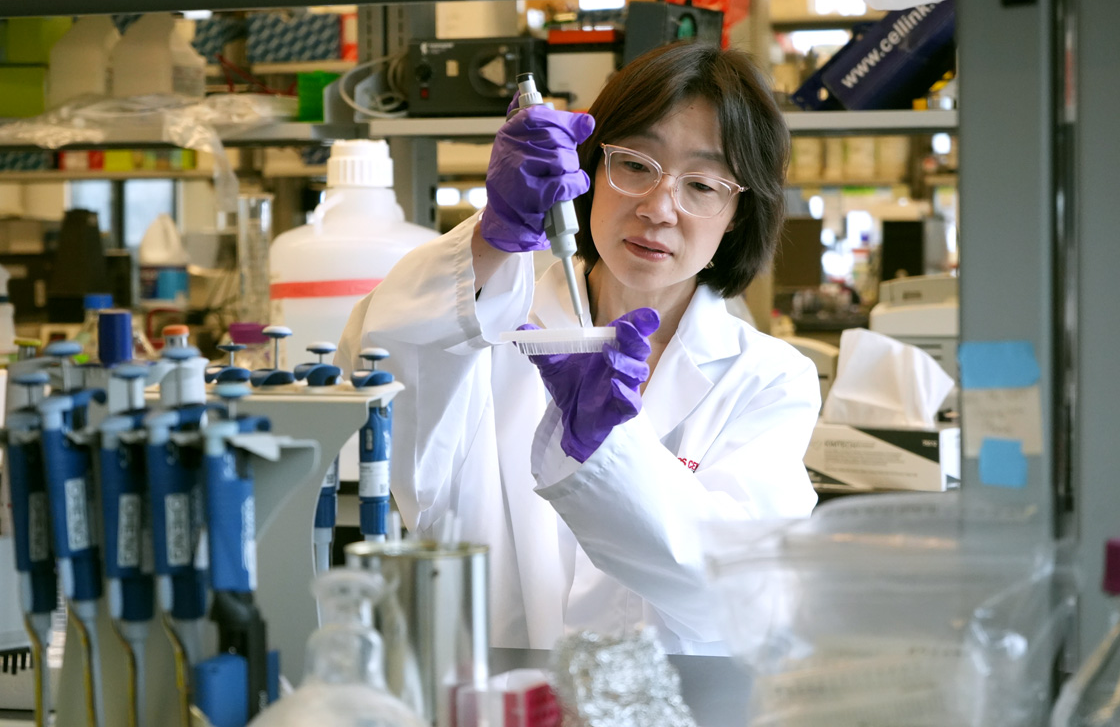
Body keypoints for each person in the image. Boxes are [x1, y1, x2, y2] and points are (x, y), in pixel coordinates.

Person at [338, 41, 819, 656]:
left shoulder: (767, 379)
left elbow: (744, 597)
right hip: (494, 703)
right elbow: (383, 370)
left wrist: (607, 449)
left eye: (701, 183)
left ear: (736, 215)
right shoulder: (487, 329)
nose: (659, 208)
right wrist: (492, 236)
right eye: (636, 164)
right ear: (587, 169)